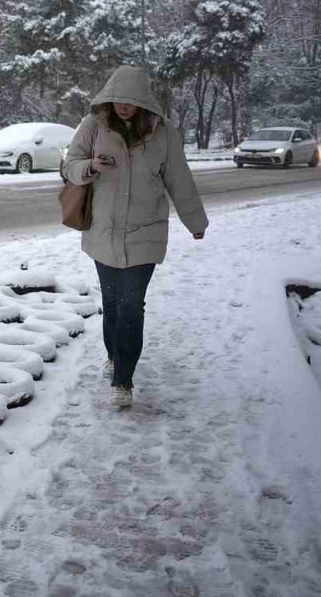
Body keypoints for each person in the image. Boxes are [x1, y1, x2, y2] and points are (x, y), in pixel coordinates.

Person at [62, 65, 208, 409]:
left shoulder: (164, 132)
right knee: (112, 304)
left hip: (146, 232)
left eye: (130, 102)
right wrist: (91, 166)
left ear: (143, 101)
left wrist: (195, 221)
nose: (123, 107)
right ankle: (114, 355)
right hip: (103, 231)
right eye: (117, 101)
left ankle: (123, 381)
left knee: (131, 306)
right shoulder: (94, 124)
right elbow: (69, 166)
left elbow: (179, 179)